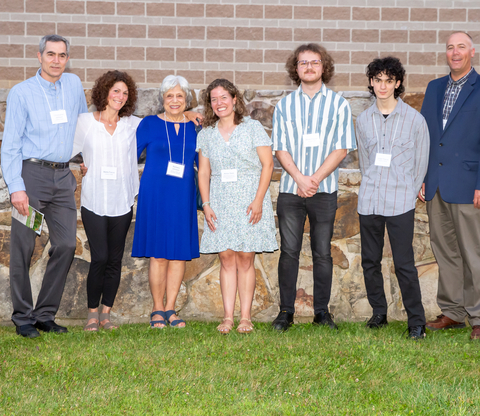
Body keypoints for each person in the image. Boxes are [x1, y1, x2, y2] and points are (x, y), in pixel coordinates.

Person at [1, 34, 88, 338]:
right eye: (50, 54)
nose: (56, 60)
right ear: (39, 57)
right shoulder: (22, 93)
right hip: (32, 177)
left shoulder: (74, 85)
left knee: (65, 244)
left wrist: (86, 158)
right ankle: (23, 317)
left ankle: (44, 314)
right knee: (24, 247)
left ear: (67, 59)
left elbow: (83, 125)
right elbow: (10, 145)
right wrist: (16, 186)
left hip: (63, 178)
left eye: (62, 55)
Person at [271, 43, 356, 332]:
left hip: (324, 190)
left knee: (322, 252)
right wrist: (299, 178)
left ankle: (321, 312)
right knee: (289, 252)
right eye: (303, 63)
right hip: (290, 189)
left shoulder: (339, 104)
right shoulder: (284, 105)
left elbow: (342, 148)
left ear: (324, 67)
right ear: (295, 69)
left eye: (314, 62)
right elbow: (280, 148)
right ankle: (286, 312)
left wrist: (314, 179)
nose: (309, 67)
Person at [356, 57, 429, 340]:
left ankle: (416, 322)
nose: (382, 86)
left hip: (400, 202)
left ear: (398, 83)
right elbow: (365, 161)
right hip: (370, 200)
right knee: (370, 261)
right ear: (371, 83)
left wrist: (409, 194)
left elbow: (420, 162)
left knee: (404, 263)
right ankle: (379, 313)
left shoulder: (415, 120)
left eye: (389, 81)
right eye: (377, 80)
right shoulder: (363, 120)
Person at [197, 78, 277, 334]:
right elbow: (203, 173)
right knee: (226, 257)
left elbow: (268, 165)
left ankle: (246, 317)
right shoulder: (206, 134)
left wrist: (258, 200)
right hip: (220, 200)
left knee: (245, 258)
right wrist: (206, 204)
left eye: (224, 97)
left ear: (234, 99)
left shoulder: (253, 128)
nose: (219, 103)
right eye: (214, 99)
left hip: (249, 199)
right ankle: (228, 317)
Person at [419, 31, 480, 341]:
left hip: (470, 186)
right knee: (445, 252)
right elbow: (426, 137)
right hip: (437, 185)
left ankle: (478, 316)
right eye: (450, 48)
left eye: (461, 47)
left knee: (474, 253)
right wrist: (423, 177)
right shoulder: (434, 88)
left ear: (472, 51)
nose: (455, 53)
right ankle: (453, 312)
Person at [72, 71, 140, 331]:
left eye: (124, 93)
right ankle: (91, 313)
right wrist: (79, 164)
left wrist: (190, 115)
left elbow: (163, 121)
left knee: (115, 259)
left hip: (122, 201)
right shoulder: (85, 121)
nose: (120, 97)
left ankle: (106, 313)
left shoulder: (131, 124)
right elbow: (66, 148)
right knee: (99, 257)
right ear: (104, 92)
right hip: (94, 201)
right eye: (115, 91)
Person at [132, 75, 200, 329]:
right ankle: (157, 308)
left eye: (180, 96)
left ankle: (171, 308)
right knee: (159, 255)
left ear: (187, 100)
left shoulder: (196, 126)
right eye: (169, 95)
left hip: (182, 195)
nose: (174, 100)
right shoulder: (149, 123)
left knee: (178, 255)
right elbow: (129, 156)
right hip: (155, 194)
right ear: (162, 98)